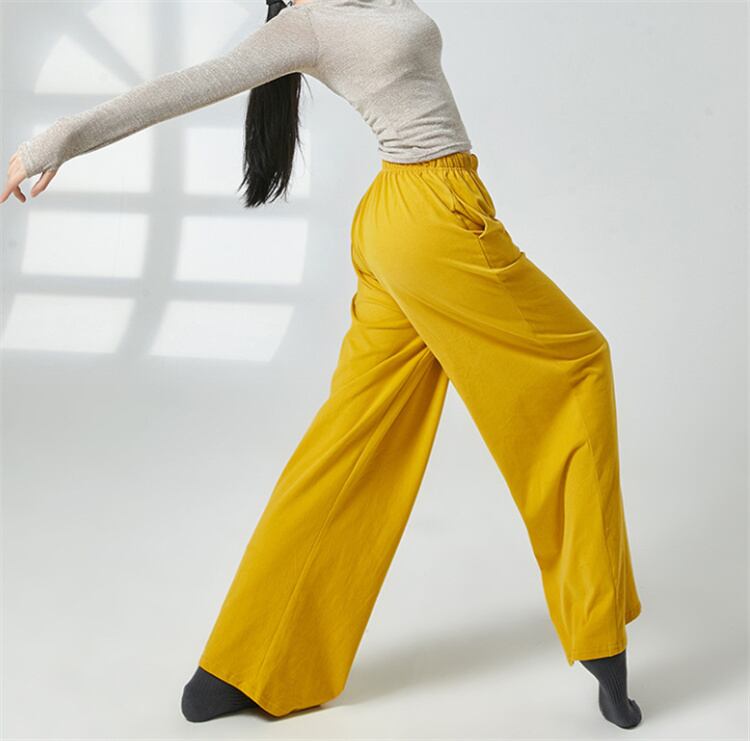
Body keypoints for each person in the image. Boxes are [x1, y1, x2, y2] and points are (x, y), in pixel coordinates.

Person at [2, 0, 643, 730]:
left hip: (402, 222)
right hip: (430, 220)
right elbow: (184, 86)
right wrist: (54, 141)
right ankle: (601, 638)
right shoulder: (304, 24)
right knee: (577, 364)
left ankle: (240, 664)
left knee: (351, 439)